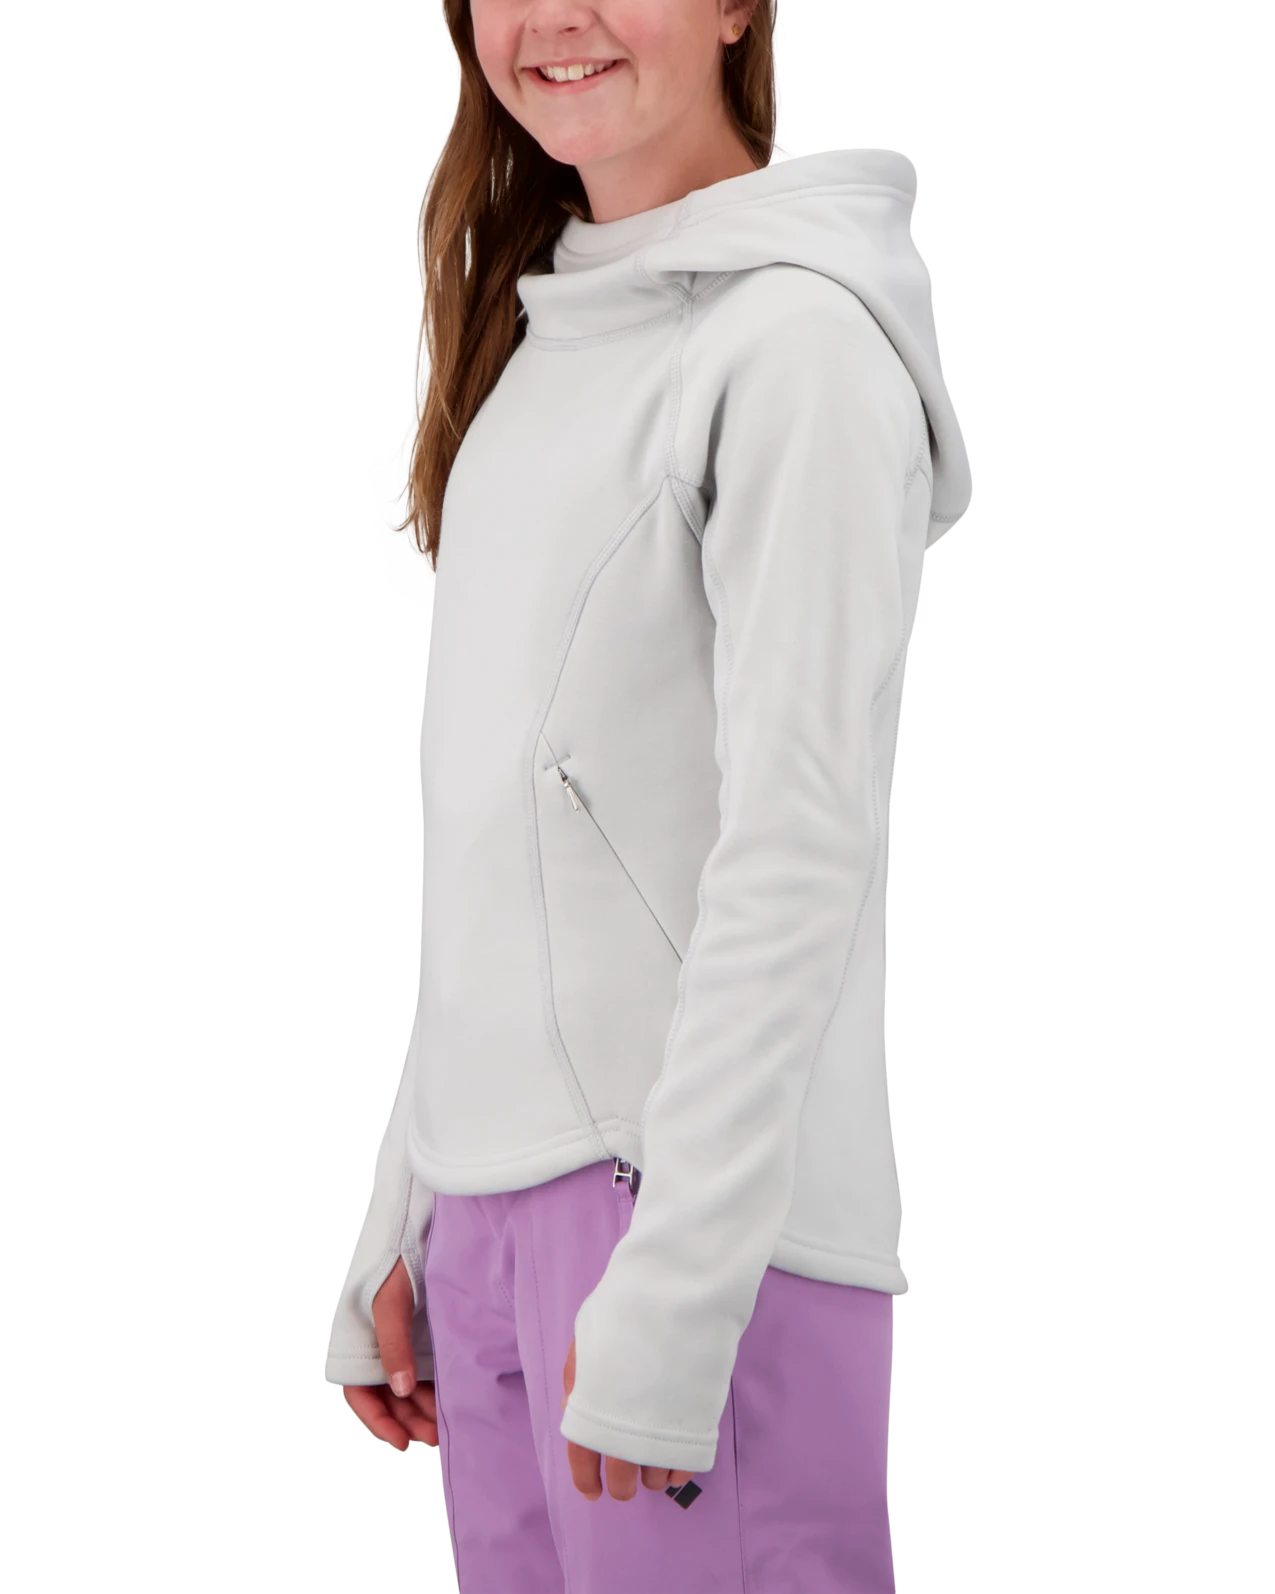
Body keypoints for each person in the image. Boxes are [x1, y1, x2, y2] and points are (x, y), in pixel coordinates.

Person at [325, 3, 971, 1589]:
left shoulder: (794, 341)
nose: (556, 18)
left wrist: (678, 1286)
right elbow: (504, 840)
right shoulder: (525, 341)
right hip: (492, 1231)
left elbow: (798, 846)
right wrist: (411, 1201)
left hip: (689, 1232)